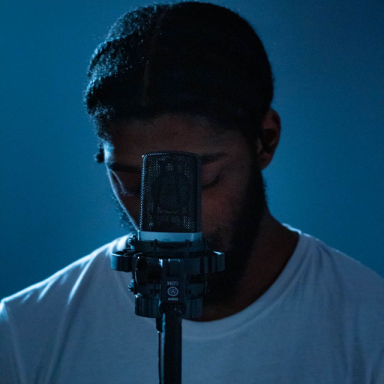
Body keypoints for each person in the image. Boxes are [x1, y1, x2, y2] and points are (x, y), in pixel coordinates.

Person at [1, 2, 383, 383]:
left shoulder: (371, 328)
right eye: (134, 182)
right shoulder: (21, 334)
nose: (164, 213)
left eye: (199, 180)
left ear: (264, 142)